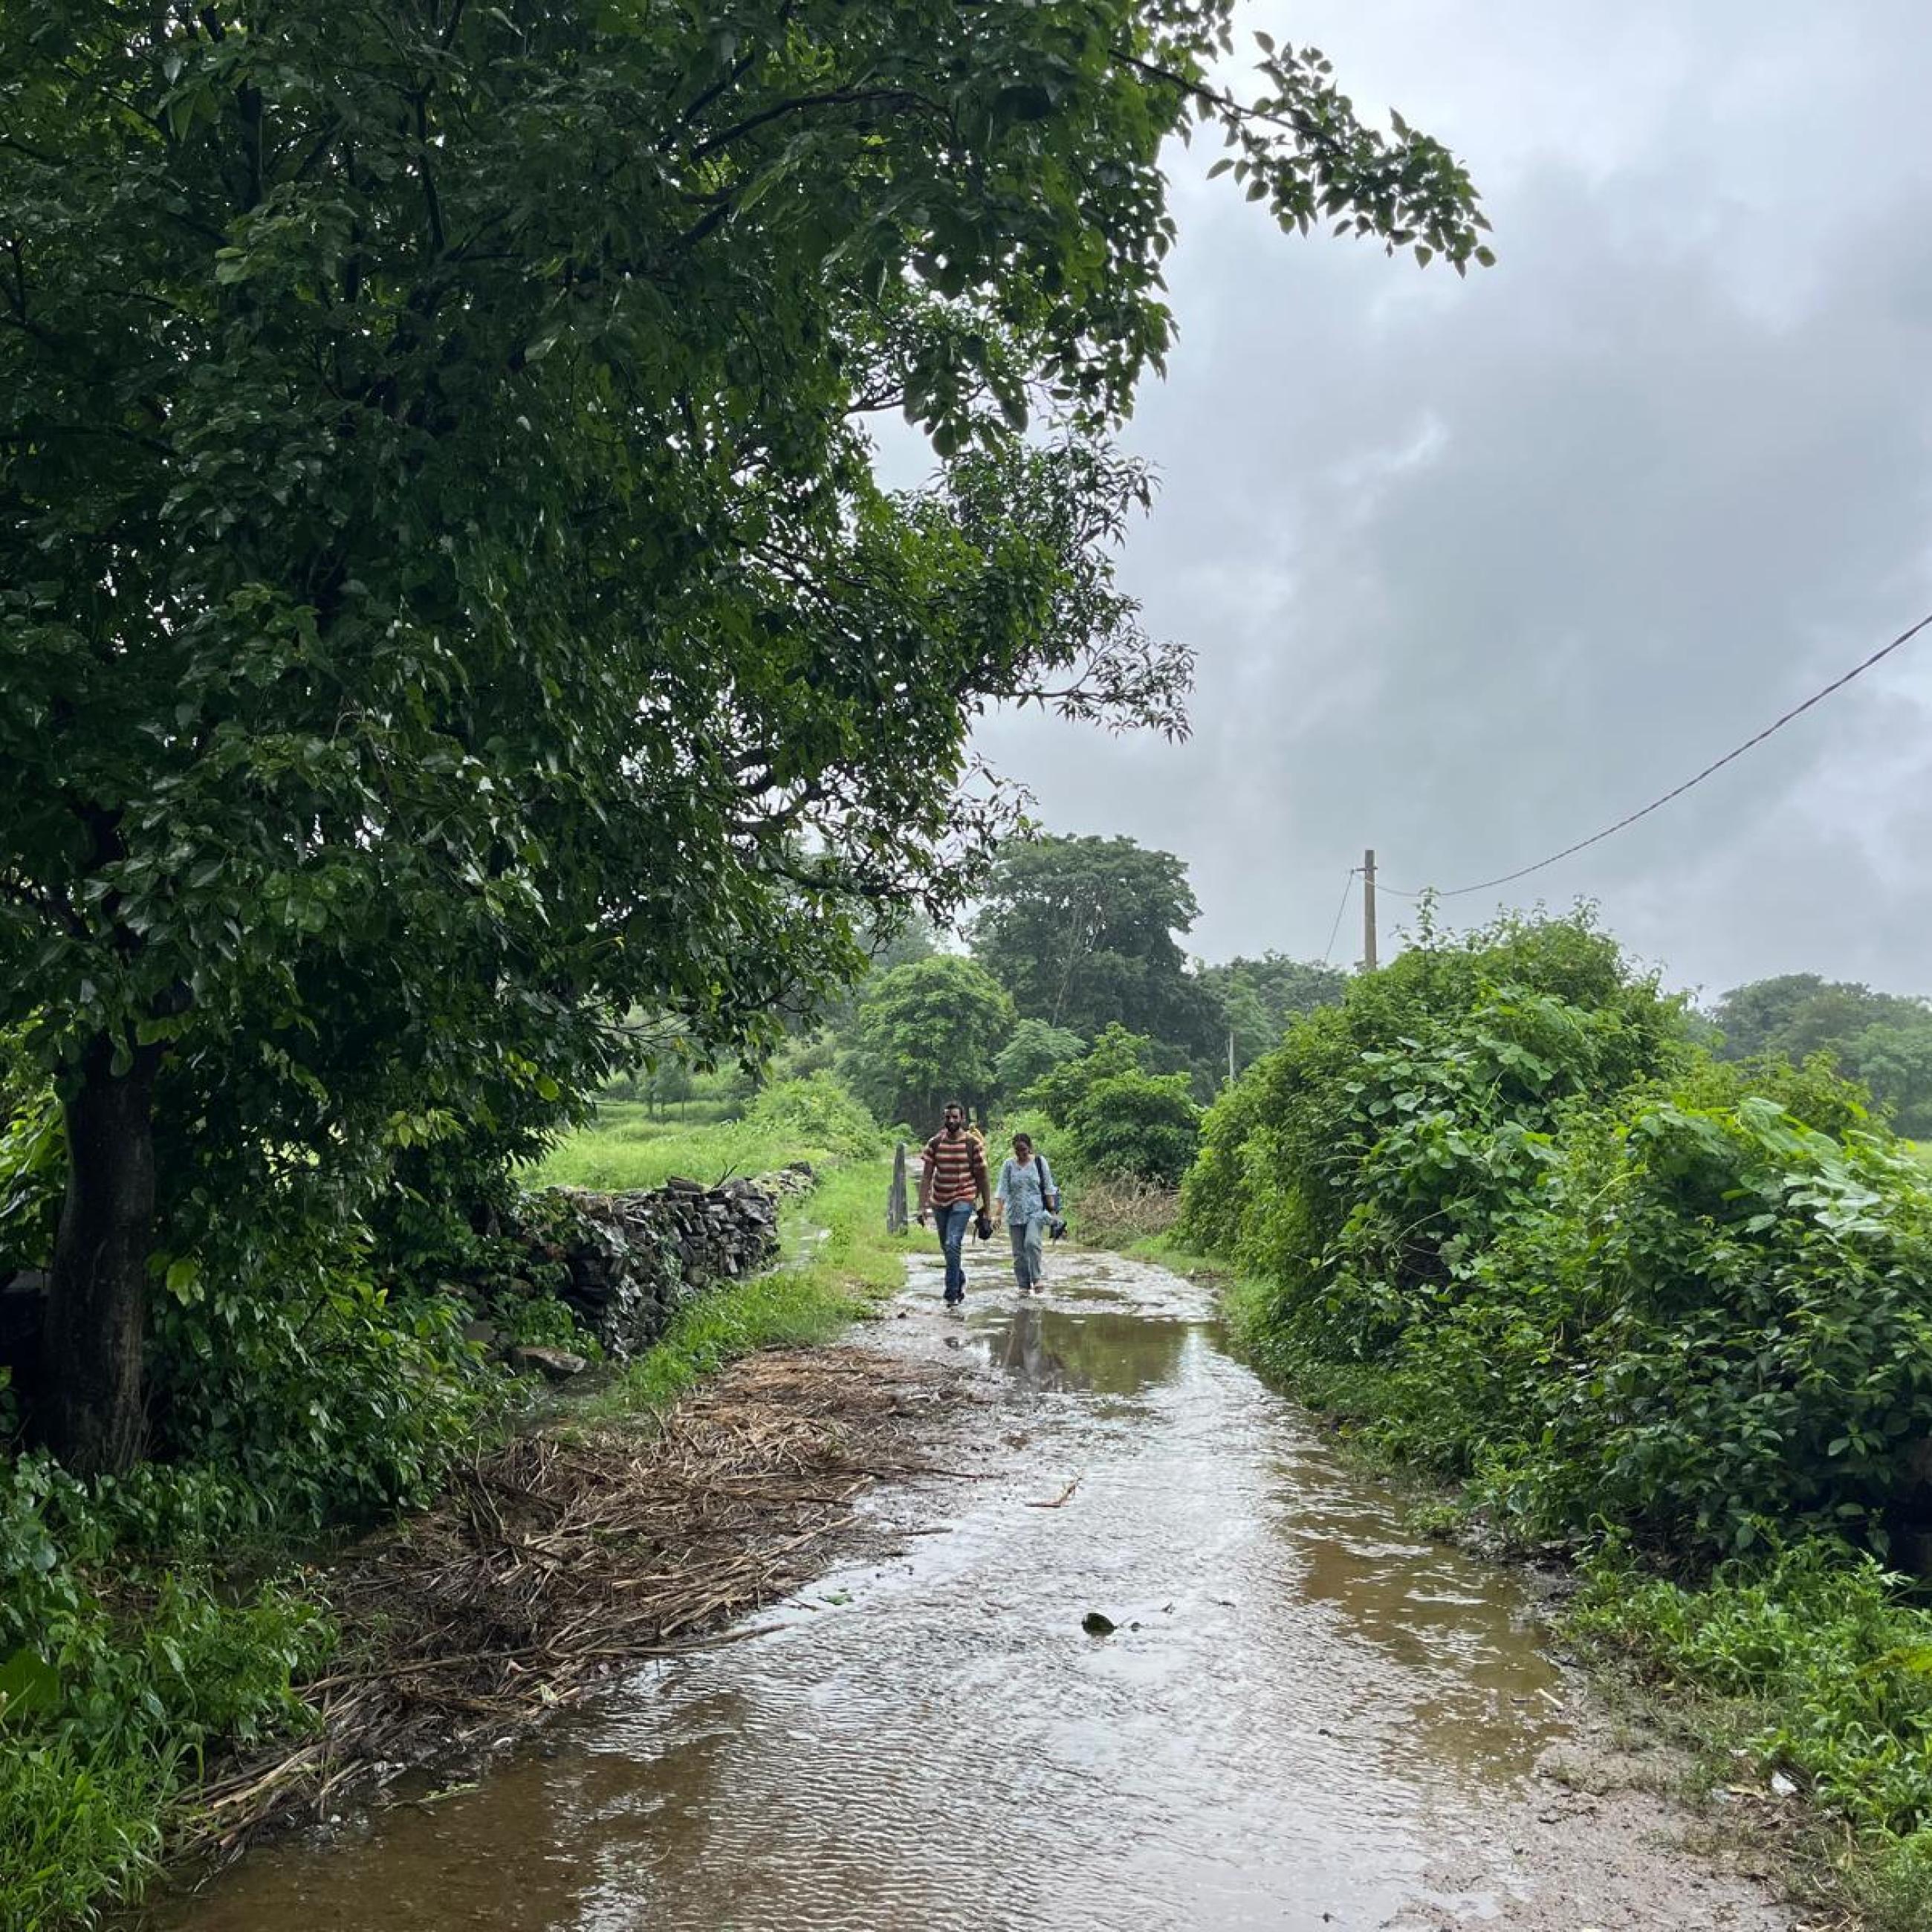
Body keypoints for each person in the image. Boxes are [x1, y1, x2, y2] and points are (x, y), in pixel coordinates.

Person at [917, 1100, 991, 1307]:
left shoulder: (972, 1144)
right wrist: (922, 1207)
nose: (951, 1121)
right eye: (948, 1117)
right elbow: (926, 1177)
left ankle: (951, 1294)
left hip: (964, 1198)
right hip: (940, 1200)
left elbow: (983, 1177)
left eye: (955, 1117)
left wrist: (987, 1209)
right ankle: (958, 1277)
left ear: (962, 1119)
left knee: (952, 1243)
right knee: (946, 1246)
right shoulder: (935, 1143)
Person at [993, 1132, 1059, 1297]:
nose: (1021, 1154)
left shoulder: (1039, 1162)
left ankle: (1036, 1279)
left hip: (1035, 1212)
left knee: (1031, 1243)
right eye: (1017, 1151)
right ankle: (1023, 1285)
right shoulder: (1008, 1165)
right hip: (1015, 1213)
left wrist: (1053, 1212)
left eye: (1024, 1150)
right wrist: (998, 1214)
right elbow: (1003, 1190)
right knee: (1019, 1253)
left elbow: (1048, 1187)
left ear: (1030, 1148)